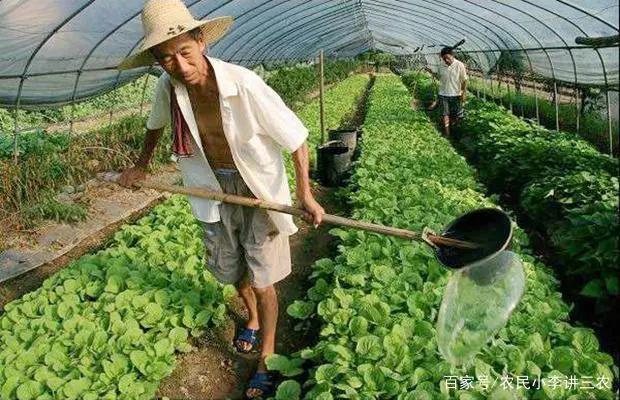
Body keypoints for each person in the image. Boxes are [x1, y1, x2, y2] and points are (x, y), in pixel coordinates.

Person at [116, 0, 325, 398]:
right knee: (230, 271)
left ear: (201, 42)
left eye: (184, 52)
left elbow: (296, 138)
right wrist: (140, 166)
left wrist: (305, 194)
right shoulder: (170, 87)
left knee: (264, 278)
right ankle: (250, 317)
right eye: (166, 59)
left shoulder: (242, 83)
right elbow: (155, 126)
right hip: (209, 188)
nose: (179, 65)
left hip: (257, 191)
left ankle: (265, 357)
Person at [427, 47, 468, 137]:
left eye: (447, 57)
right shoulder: (441, 65)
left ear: (452, 55)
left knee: (455, 115)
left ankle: (451, 128)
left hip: (456, 94)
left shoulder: (460, 65)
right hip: (443, 93)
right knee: (445, 114)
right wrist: (431, 72)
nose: (446, 60)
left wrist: (463, 92)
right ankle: (447, 133)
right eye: (444, 58)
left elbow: (464, 80)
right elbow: (439, 77)